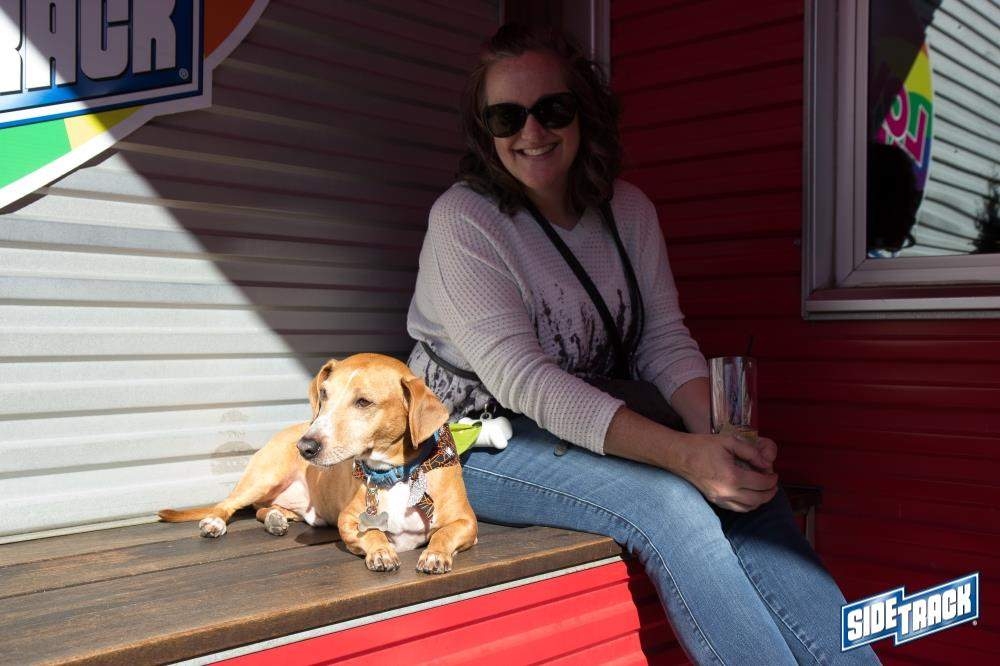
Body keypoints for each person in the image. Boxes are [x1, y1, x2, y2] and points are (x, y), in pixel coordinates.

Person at [407, 23, 881, 665]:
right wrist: (684, 456)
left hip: (579, 429)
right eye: (506, 117)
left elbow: (663, 341)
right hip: (470, 440)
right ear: (484, 130)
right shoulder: (465, 220)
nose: (531, 131)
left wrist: (718, 438)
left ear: (583, 110)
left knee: (747, 489)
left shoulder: (627, 211)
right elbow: (526, 382)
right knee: (670, 504)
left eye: (552, 109)